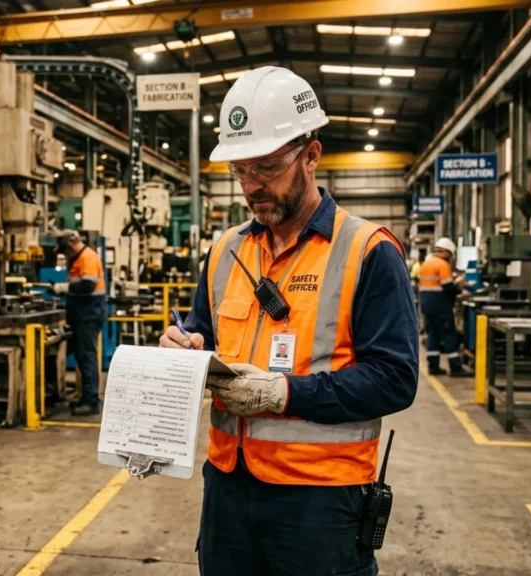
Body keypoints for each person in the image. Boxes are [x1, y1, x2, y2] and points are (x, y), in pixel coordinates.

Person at [159, 66, 418, 576]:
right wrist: (183, 347)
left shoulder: (367, 251)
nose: (251, 186)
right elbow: (202, 332)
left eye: (267, 168)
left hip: (320, 501)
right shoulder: (225, 251)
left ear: (311, 156)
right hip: (229, 488)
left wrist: (285, 394)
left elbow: (395, 379)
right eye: (239, 171)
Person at [53, 230, 107, 416]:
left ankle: (92, 402)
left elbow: (88, 285)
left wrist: (63, 288)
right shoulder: (77, 259)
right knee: (81, 357)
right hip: (81, 314)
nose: (64, 255)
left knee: (87, 356)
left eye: (65, 251)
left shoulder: (88, 257)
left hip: (89, 315)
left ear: (70, 245)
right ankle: (86, 396)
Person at [418, 237, 469, 377]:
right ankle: (455, 368)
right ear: (446, 252)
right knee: (448, 335)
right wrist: (460, 289)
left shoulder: (426, 264)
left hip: (427, 306)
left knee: (432, 334)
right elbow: (448, 287)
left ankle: (433, 367)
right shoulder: (442, 265)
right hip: (440, 306)